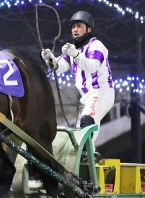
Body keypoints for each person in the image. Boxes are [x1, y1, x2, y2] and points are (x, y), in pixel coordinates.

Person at [41, 11, 115, 160]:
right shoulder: (74, 50)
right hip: (86, 97)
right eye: (73, 26)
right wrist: (50, 60)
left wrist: (74, 54)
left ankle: (87, 154)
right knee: (81, 131)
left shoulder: (97, 46)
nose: (75, 29)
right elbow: (60, 67)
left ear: (89, 29)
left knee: (87, 120)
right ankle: (93, 155)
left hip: (100, 92)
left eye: (79, 26)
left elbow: (92, 66)